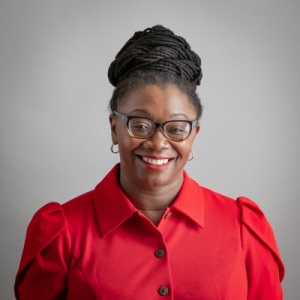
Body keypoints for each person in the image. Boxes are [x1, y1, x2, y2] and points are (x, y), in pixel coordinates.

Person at [14, 25, 284, 299]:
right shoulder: (62, 234)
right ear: (114, 128)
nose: (158, 143)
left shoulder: (243, 228)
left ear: (194, 135)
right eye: (140, 125)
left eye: (176, 128)